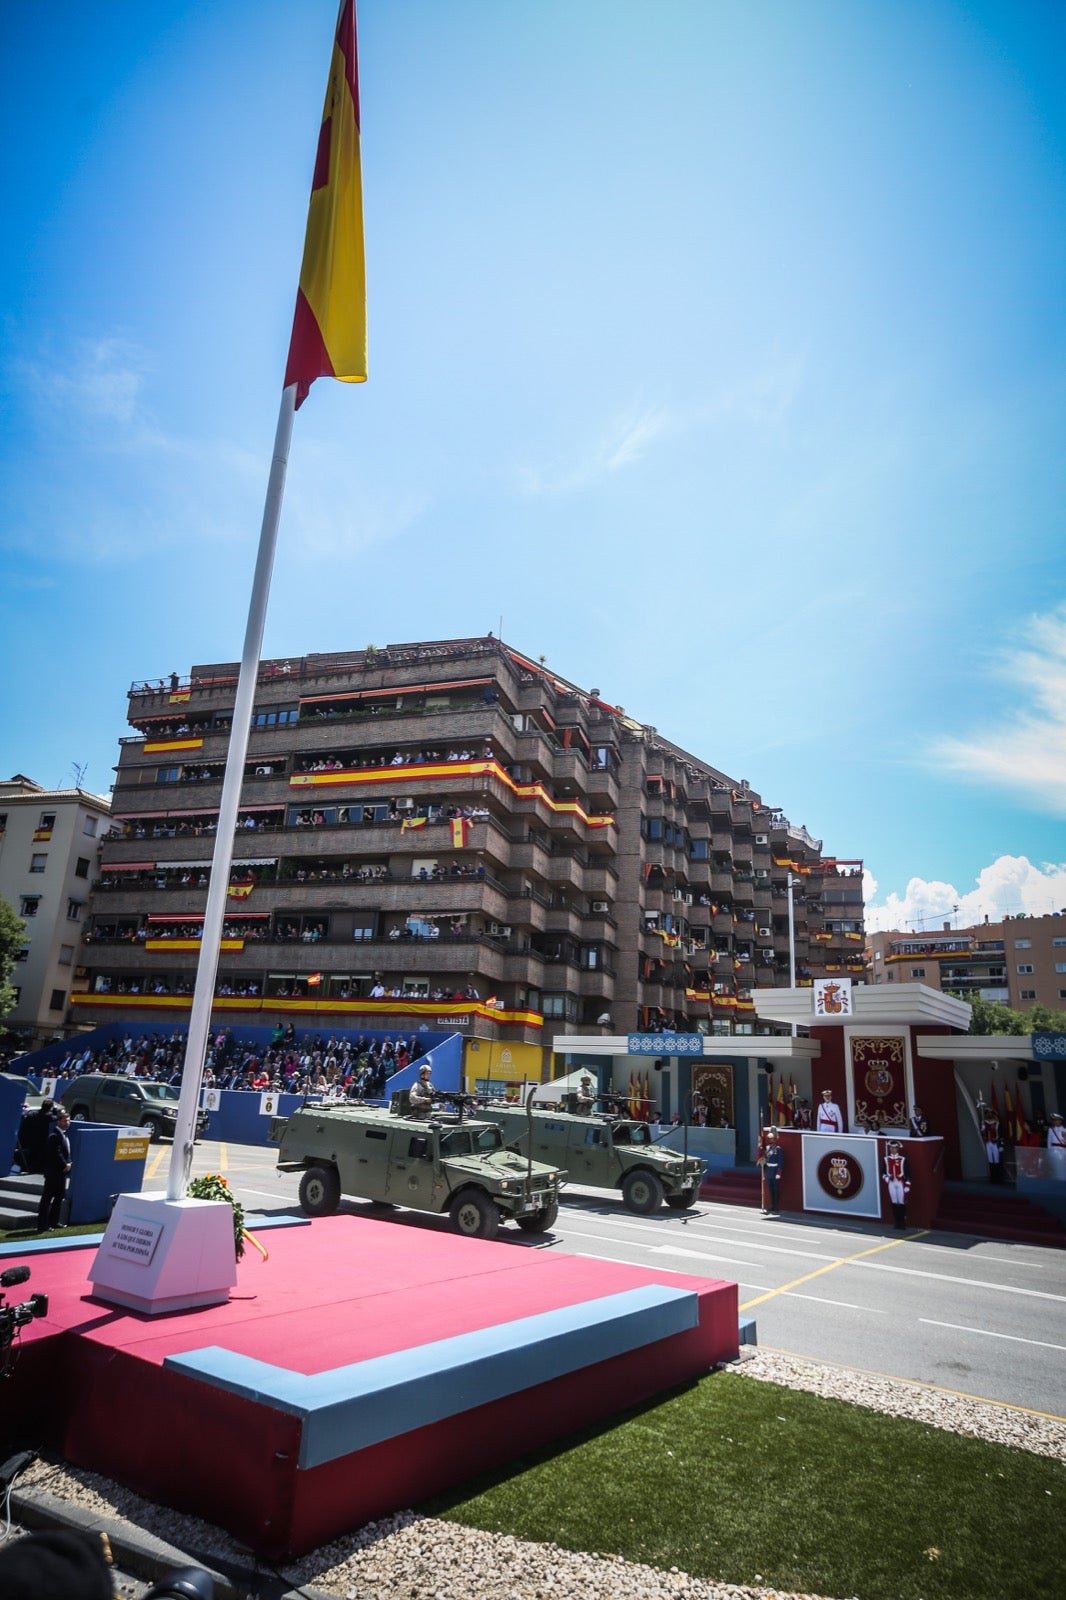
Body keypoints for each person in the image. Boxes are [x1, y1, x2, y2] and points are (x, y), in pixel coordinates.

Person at [37, 1109, 73, 1231]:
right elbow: (55, 1153)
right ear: (58, 1122)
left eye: (68, 1120)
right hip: (53, 1173)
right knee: (47, 1198)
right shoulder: (54, 1136)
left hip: (61, 1174)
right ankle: (42, 1224)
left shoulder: (64, 1135)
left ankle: (54, 1221)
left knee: (59, 1197)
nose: (67, 1123)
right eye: (65, 1121)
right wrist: (65, 1164)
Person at [882, 1139, 911, 1228]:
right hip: (891, 1182)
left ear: (898, 1149)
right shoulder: (886, 1159)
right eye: (891, 1148)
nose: (892, 1149)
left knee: (901, 1202)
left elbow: (907, 1173)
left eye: (894, 1148)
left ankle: (902, 1222)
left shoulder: (902, 1159)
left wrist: (907, 1185)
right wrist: (886, 1178)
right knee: (894, 1202)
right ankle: (896, 1222)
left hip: (900, 1183)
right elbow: (883, 1172)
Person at [759, 1127, 784, 1214]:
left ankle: (776, 1206)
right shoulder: (767, 1148)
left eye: (772, 1138)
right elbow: (765, 1159)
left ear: (775, 1139)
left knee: (775, 1189)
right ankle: (772, 1205)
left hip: (775, 1171)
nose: (771, 1139)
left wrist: (779, 1172)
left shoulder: (778, 1149)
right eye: (770, 1138)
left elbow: (781, 1162)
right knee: (770, 1189)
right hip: (769, 1170)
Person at [1046, 1112, 1066, 1179]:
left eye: (1056, 1120)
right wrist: (1049, 1152)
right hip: (1054, 1151)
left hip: (1063, 1152)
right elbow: (1049, 1142)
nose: (1055, 1122)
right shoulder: (1051, 1130)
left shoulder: (1065, 1130)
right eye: (1053, 1120)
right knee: (1055, 1168)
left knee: (1063, 1167)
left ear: (1060, 1120)